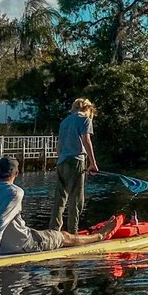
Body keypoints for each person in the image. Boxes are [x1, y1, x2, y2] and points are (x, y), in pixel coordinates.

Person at [0, 155, 119, 262]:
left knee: (48, 233)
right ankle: (100, 235)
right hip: (24, 245)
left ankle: (93, 235)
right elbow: (1, 221)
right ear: (17, 174)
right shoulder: (16, 192)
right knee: (62, 236)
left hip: (4, 246)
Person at [50, 98, 99, 233]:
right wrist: (92, 163)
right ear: (88, 109)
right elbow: (86, 140)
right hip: (76, 160)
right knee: (76, 199)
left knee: (60, 198)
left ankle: (54, 230)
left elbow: (59, 144)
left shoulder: (65, 121)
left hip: (61, 161)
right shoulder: (85, 120)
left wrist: (59, 159)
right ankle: (73, 231)